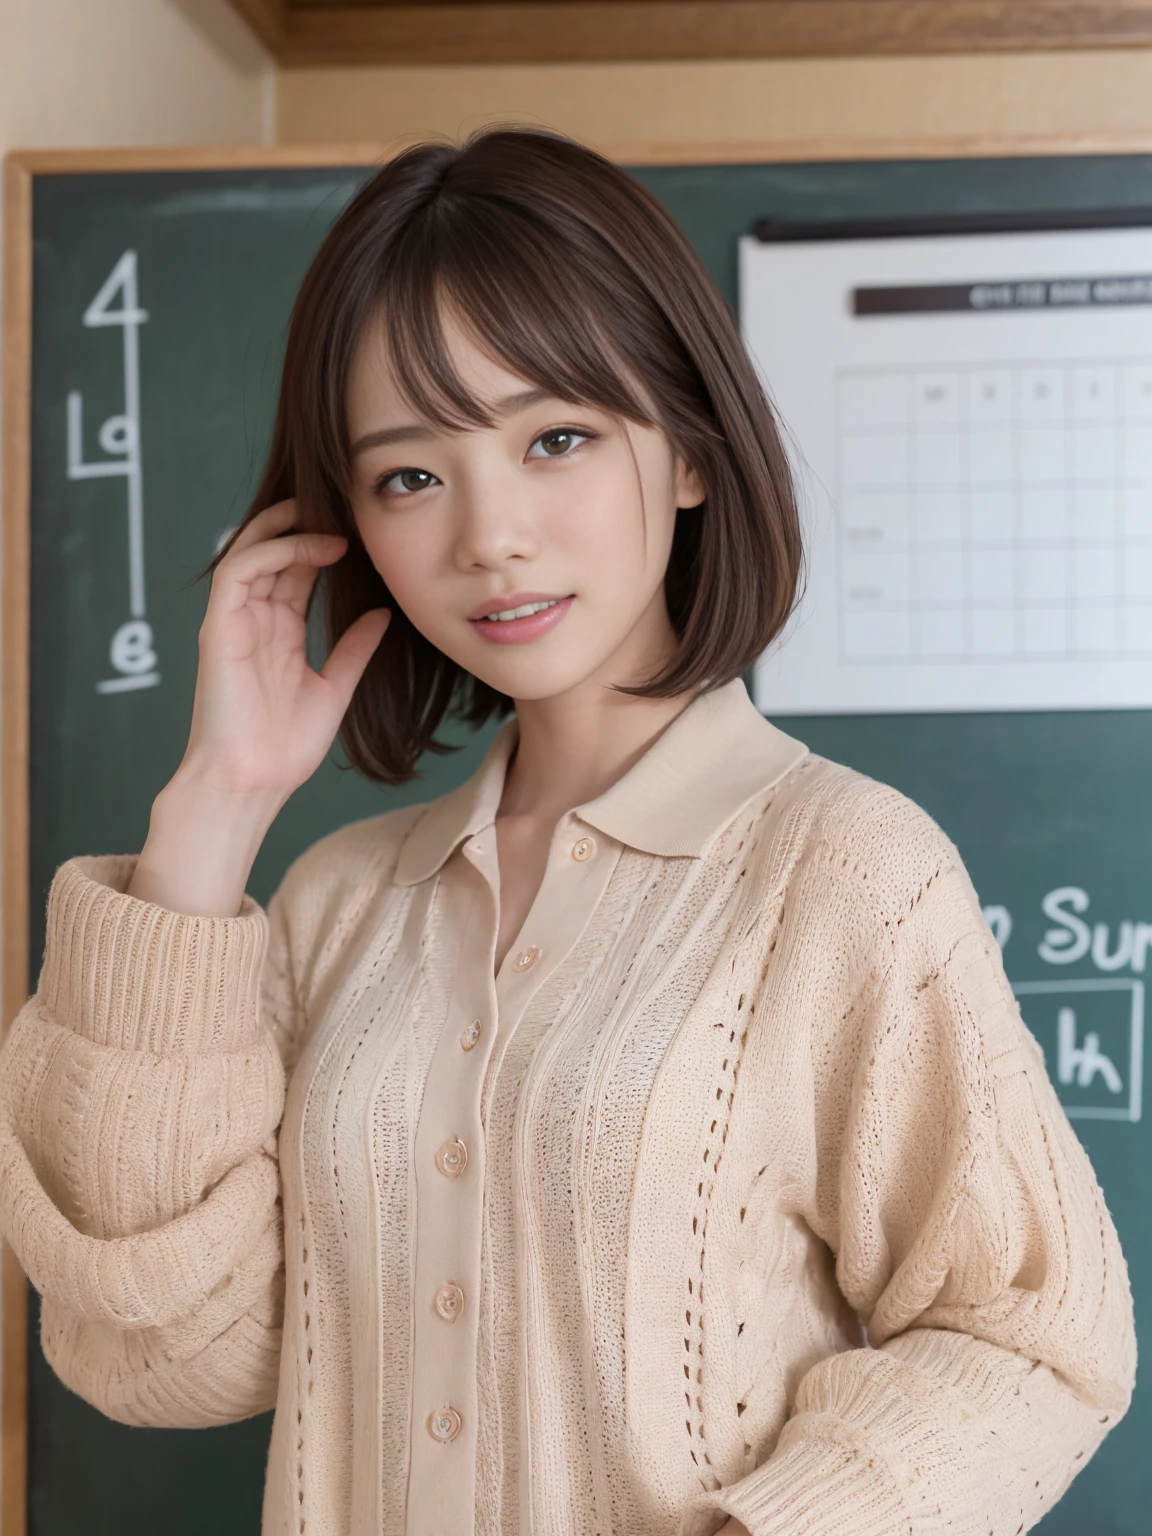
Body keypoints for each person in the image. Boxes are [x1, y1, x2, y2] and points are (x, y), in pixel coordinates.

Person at [0, 128, 1135, 1536]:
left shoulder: (843, 874)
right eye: (411, 475)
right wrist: (215, 808)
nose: (492, 537)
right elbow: (165, 1354)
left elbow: (1030, 1339)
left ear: (690, 457)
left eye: (555, 439)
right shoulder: (336, 901)